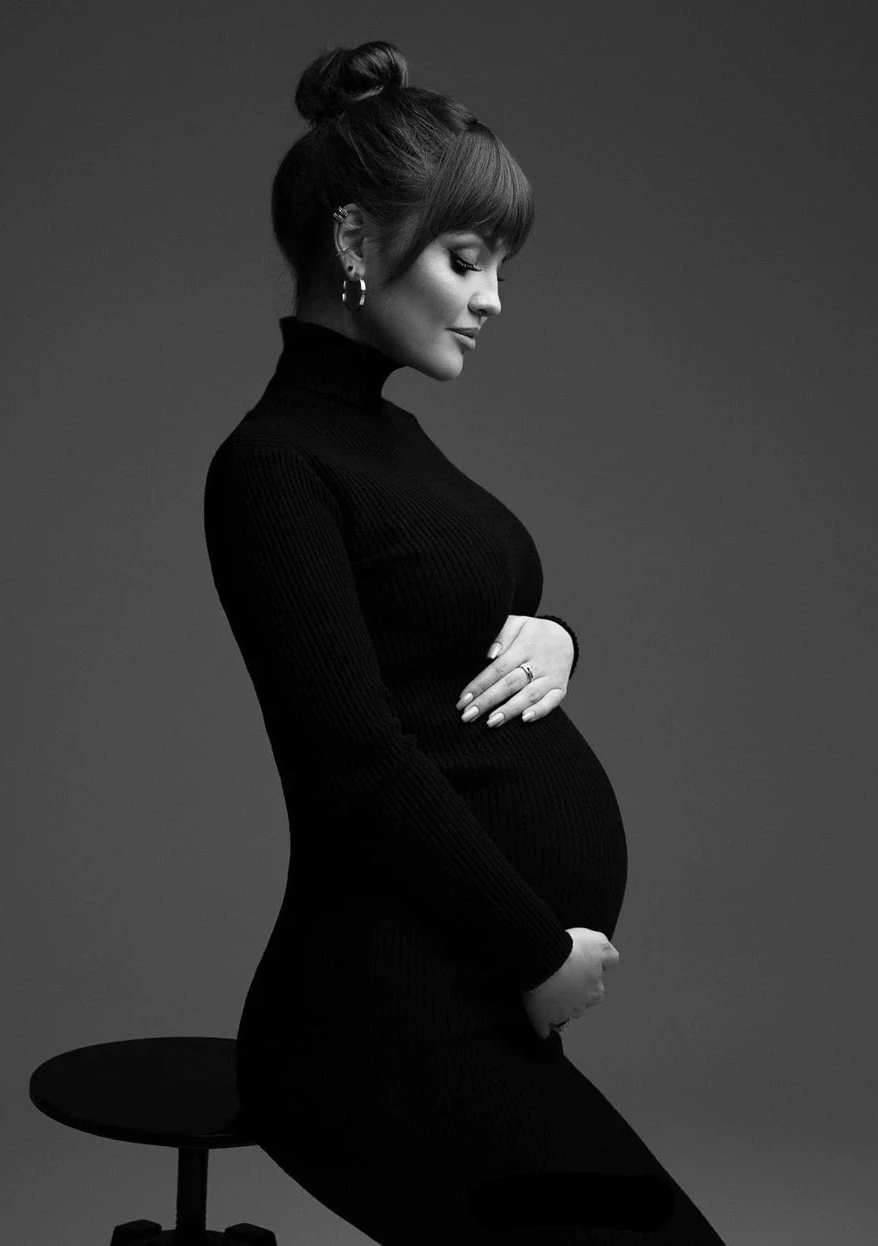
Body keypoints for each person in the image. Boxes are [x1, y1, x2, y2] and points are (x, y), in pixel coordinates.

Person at [203, 39, 726, 1245]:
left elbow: (458, 618)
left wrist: (563, 637)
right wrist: (534, 949)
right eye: (465, 259)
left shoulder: (390, 438)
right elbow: (351, 759)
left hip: (466, 999)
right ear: (354, 241)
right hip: (375, 1023)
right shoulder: (275, 466)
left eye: (497, 265)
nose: (492, 299)